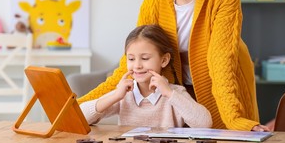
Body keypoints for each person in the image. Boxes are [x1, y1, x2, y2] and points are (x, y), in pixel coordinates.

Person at [78, 0, 270, 132]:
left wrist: (235, 120)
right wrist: (76, 106)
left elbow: (220, 57)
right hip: (176, 91)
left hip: (223, 87)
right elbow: (131, 61)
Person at [80, 24, 213, 128]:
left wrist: (169, 93)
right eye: (131, 59)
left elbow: (205, 123)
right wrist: (115, 96)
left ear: (164, 60)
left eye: (145, 58)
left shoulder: (175, 93)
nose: (137, 65)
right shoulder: (125, 94)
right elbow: (80, 117)